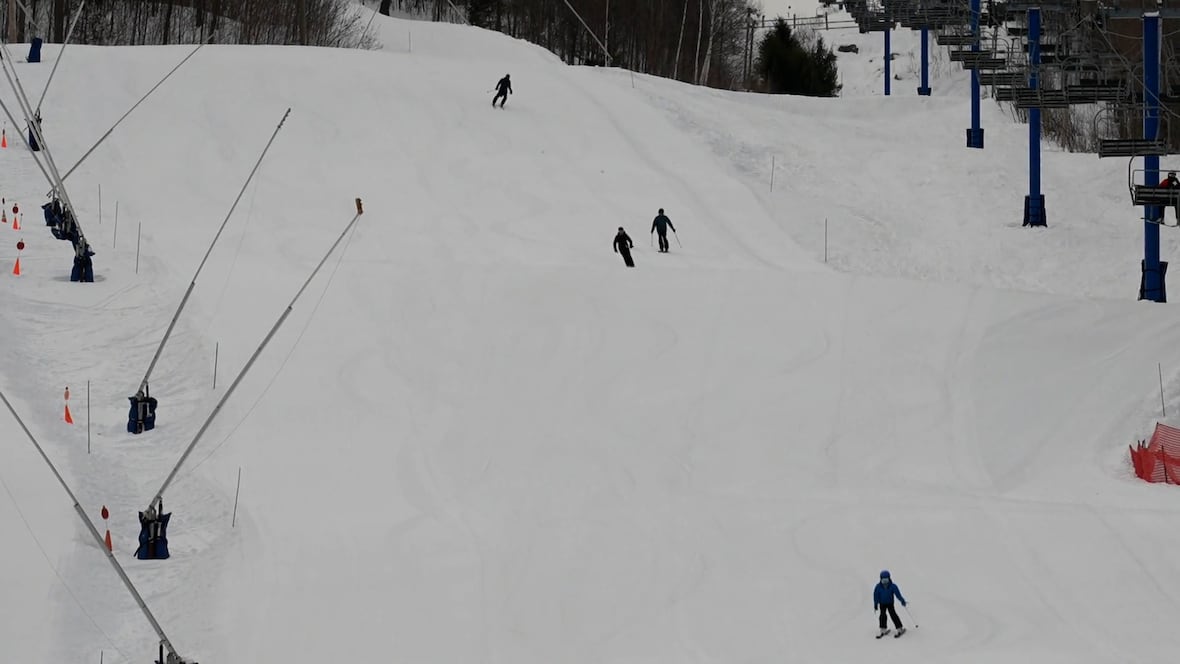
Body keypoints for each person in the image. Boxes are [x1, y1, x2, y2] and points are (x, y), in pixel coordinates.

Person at [873, 570, 906, 637]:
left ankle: (899, 628)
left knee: (893, 614)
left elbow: (898, 594)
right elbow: (875, 595)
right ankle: (883, 629)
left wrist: (902, 600)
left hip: (890, 603)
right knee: (882, 615)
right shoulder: (878, 587)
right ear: (880, 579)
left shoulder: (893, 586)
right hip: (882, 604)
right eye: (883, 580)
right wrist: (876, 604)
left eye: (886, 580)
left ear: (889, 579)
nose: (885, 582)